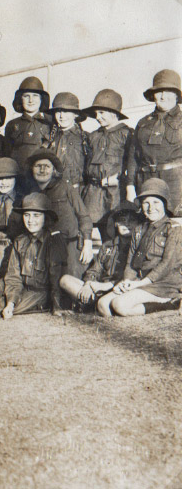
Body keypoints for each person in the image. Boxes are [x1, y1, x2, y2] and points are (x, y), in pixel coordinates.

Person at [0, 193, 66, 318]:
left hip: (37, 294)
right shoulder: (20, 241)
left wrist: (56, 306)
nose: (31, 220)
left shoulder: (53, 241)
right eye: (27, 215)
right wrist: (11, 302)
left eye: (36, 215)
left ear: (46, 218)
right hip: (16, 285)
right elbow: (13, 276)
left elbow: (56, 280)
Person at [108, 179, 182, 316]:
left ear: (165, 205)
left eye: (156, 202)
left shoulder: (174, 229)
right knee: (103, 306)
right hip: (141, 283)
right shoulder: (139, 230)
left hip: (164, 285)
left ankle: (169, 305)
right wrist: (127, 282)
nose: (151, 207)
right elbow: (131, 263)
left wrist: (139, 284)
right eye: (146, 203)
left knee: (119, 305)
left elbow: (166, 265)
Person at [59, 202, 141, 315]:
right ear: (116, 224)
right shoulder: (107, 246)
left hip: (119, 289)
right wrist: (88, 285)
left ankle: (92, 306)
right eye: (122, 220)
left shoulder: (138, 247)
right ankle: (92, 305)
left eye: (132, 220)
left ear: (138, 223)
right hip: (99, 288)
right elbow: (95, 269)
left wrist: (107, 285)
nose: (127, 224)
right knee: (65, 280)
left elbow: (134, 276)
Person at [26, 149, 94, 279]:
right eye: (38, 166)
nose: (42, 170)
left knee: (71, 285)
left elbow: (84, 216)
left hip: (70, 248)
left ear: (53, 170)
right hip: (45, 249)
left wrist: (88, 244)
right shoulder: (32, 192)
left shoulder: (65, 187)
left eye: (47, 166)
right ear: (31, 169)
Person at [128, 69, 182, 216]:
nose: (163, 96)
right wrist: (130, 186)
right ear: (153, 96)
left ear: (177, 95)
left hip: (176, 184)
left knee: (176, 225)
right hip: (146, 181)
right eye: (159, 92)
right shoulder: (143, 123)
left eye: (168, 92)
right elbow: (133, 157)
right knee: (149, 223)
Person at [81, 89, 132, 230]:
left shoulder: (126, 135)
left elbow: (132, 165)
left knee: (116, 233)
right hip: (93, 195)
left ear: (114, 113)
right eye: (96, 113)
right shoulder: (93, 137)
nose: (97, 117)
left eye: (101, 113)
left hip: (115, 194)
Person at [5, 76, 52, 176]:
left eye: (35, 96)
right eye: (26, 96)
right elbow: (7, 156)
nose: (31, 100)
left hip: (42, 178)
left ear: (41, 99)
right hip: (18, 178)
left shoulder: (50, 123)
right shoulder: (12, 125)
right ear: (20, 99)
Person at [45, 92, 89, 189]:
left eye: (66, 112)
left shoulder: (86, 138)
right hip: (54, 191)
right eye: (58, 112)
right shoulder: (49, 139)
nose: (61, 116)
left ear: (76, 114)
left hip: (78, 191)